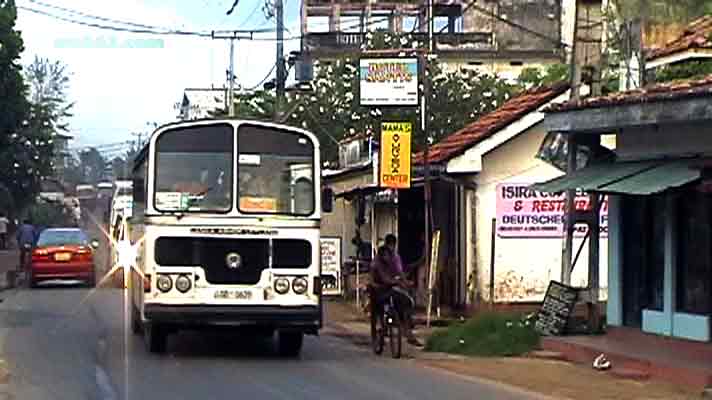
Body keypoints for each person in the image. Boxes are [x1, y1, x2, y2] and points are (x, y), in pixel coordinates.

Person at [370, 234, 423, 347]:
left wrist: (404, 282)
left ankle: (407, 330)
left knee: (404, 301)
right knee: (377, 306)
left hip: (390, 288)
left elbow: (399, 272)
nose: (388, 256)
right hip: (378, 289)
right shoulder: (377, 262)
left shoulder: (394, 257)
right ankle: (378, 330)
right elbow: (377, 278)